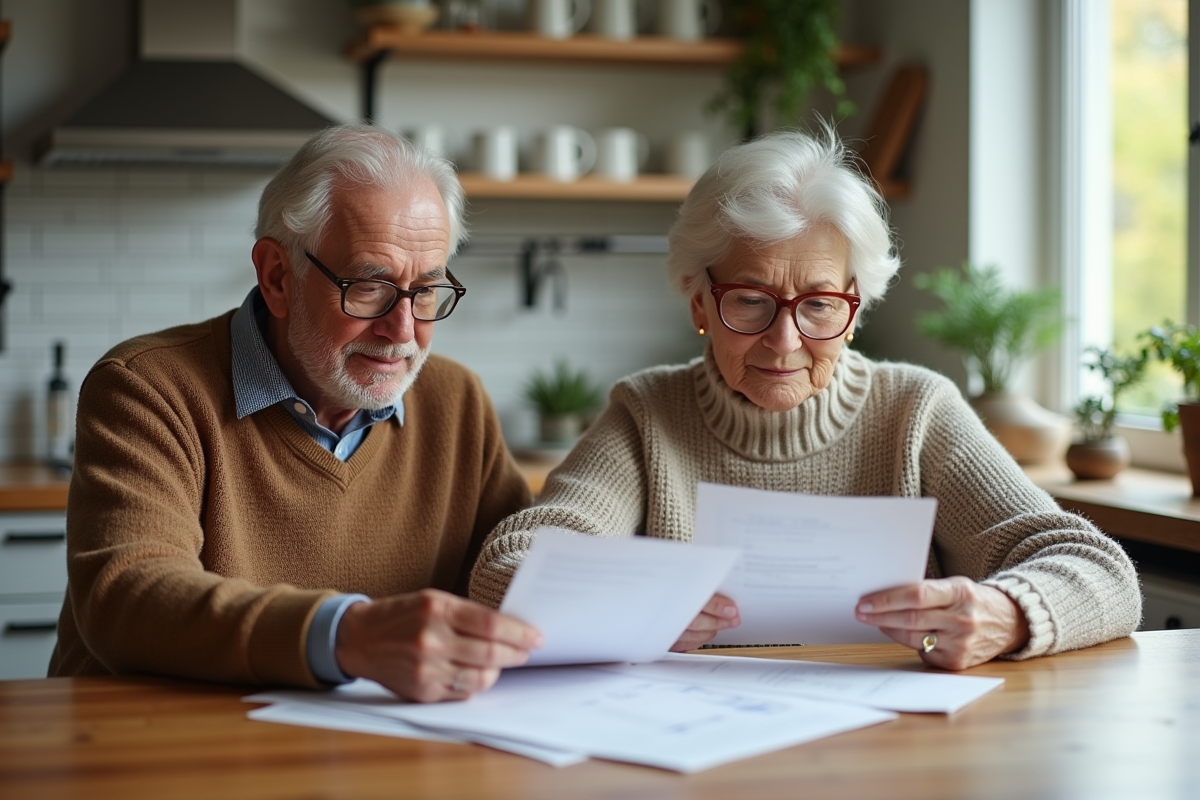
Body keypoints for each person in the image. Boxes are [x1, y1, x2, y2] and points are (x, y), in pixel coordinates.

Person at [470, 127, 1142, 670]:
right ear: (699, 301)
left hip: (889, 748)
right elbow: (507, 565)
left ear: (855, 309)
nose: (784, 341)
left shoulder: (916, 412)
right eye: (750, 301)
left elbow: (1101, 571)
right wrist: (627, 602)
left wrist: (1009, 612)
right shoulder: (648, 414)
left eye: (819, 304)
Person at [50, 124, 542, 701]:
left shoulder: (457, 402)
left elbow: (522, 571)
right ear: (278, 276)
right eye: (369, 287)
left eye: (426, 290)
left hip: (376, 741)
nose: (403, 331)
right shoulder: (147, 388)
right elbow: (127, 596)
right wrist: (347, 635)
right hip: (153, 737)